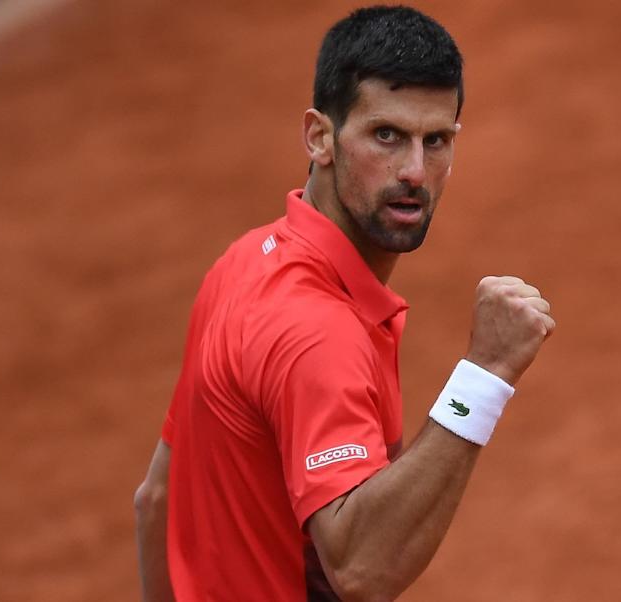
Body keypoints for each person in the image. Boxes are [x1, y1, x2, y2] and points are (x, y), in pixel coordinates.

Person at [134, 5, 555, 601]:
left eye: (436, 141)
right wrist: (485, 376)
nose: (414, 170)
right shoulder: (317, 333)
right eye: (387, 135)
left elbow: (155, 501)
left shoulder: (244, 262)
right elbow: (361, 568)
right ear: (320, 136)